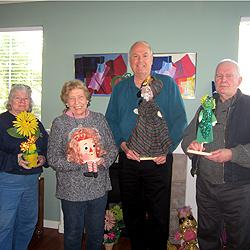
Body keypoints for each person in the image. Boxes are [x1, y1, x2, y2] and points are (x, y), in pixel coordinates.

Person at [105, 41, 187, 250]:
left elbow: (180, 121)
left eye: (144, 55)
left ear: (152, 58)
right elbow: (111, 120)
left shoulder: (168, 85)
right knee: (132, 213)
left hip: (159, 162)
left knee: (159, 214)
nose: (140, 60)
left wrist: (166, 150)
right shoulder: (121, 88)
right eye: (135, 56)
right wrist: (122, 145)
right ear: (129, 60)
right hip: (129, 162)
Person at [181, 59, 250, 249]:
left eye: (229, 76)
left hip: (238, 189)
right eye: (219, 76)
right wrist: (192, 144)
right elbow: (187, 137)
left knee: (240, 240)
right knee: (207, 237)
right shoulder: (206, 106)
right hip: (206, 187)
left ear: (239, 80)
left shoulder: (248, 106)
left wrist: (232, 154)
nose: (223, 80)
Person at [47, 80, 118, 250]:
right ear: (66, 101)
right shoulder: (59, 123)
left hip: (98, 187)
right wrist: (77, 162)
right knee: (72, 233)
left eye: (80, 97)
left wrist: (102, 162)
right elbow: (53, 158)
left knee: (95, 234)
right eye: (71, 98)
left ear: (87, 98)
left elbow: (112, 149)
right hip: (71, 189)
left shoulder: (99, 119)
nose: (77, 102)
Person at [0, 84, 48, 250]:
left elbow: (46, 145)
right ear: (10, 101)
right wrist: (15, 159)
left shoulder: (36, 123)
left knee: (28, 222)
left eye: (25, 98)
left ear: (30, 102)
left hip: (32, 181)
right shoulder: (1, 121)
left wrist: (43, 157)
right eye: (17, 98)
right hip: (8, 182)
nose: (21, 101)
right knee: (4, 225)